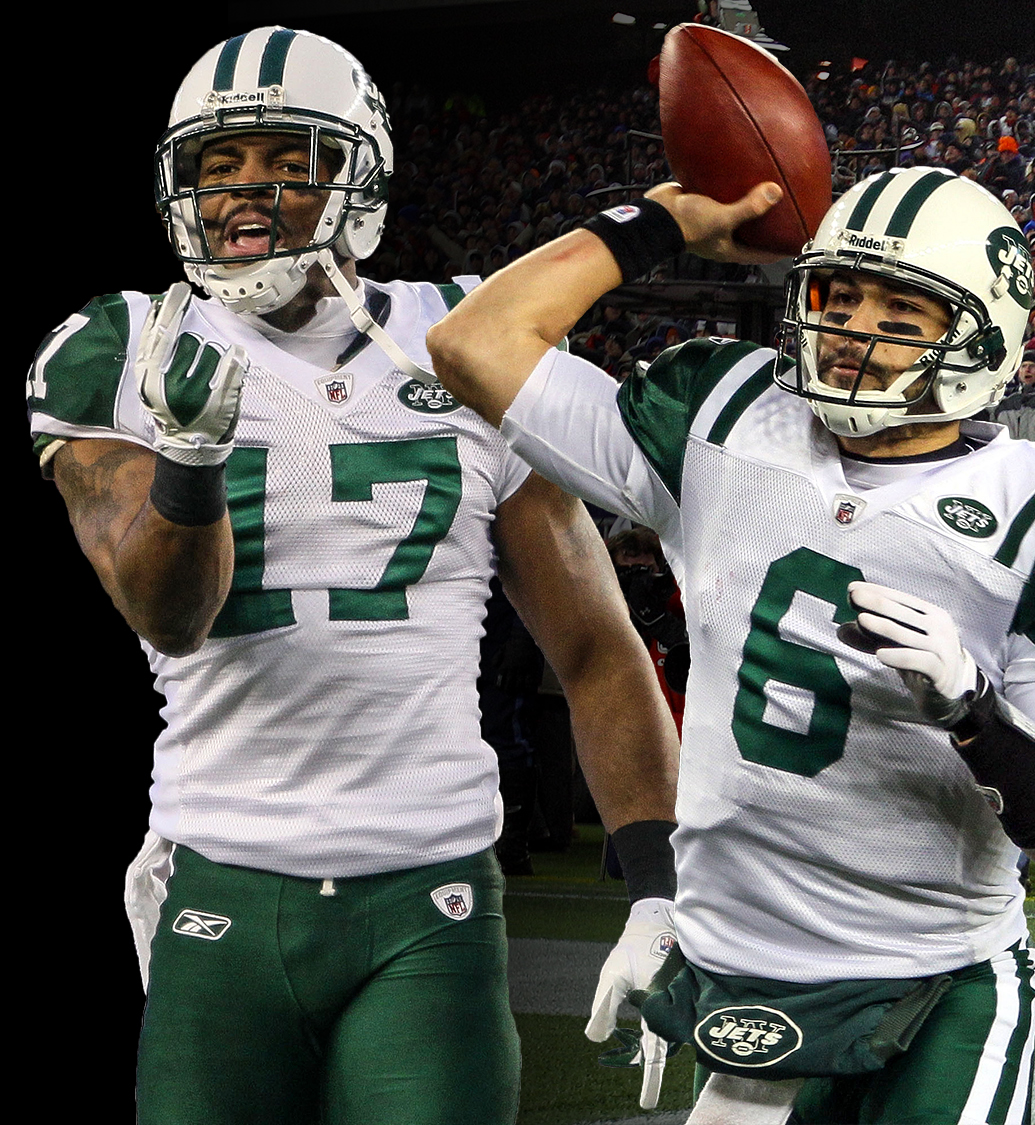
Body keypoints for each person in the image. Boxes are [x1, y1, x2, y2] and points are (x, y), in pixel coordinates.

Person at [27, 28, 677, 1124]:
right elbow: (171, 615)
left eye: (286, 159)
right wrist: (191, 464)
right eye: (215, 164)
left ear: (355, 174)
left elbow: (593, 646)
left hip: (431, 883)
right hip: (223, 873)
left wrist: (662, 889)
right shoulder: (118, 345)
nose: (243, 190)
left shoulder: (464, 339)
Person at [427, 166, 1035, 1121]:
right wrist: (661, 222)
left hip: (935, 981)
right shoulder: (724, 415)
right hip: (740, 981)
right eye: (838, 294)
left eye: (902, 310)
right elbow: (471, 341)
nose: (853, 329)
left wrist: (978, 714)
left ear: (976, 336)